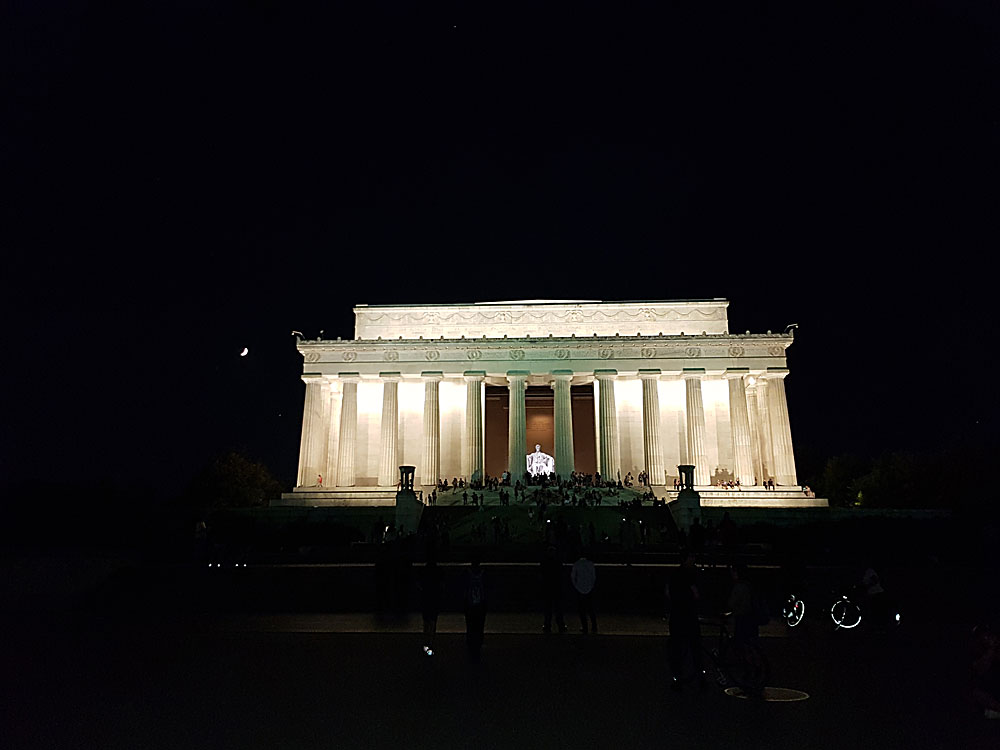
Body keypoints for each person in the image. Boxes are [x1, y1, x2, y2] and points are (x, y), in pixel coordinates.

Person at [667, 549, 703, 691]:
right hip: (689, 614)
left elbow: (668, 592)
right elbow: (696, 593)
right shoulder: (691, 574)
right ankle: (698, 676)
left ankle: (678, 677)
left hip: (677, 614)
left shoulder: (675, 574)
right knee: (695, 646)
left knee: (677, 648)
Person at [464, 556, 488, 661]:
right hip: (480, 605)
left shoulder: (467, 574)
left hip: (470, 604)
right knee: (479, 625)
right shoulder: (483, 574)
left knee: (470, 625)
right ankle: (477, 644)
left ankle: (472, 644)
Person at [541, 545, 567, 633]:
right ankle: (560, 625)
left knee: (548, 609)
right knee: (558, 608)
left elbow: (542, 575)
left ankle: (547, 625)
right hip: (556, 588)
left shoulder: (545, 562)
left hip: (548, 588)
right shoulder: (558, 562)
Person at [419, 559, 442, 656]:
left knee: (427, 622)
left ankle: (427, 641)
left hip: (427, 600)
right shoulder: (437, 574)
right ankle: (430, 641)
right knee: (432, 622)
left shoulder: (424, 573)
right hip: (433, 600)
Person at [571, 553, 597, 634]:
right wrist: (591, 586)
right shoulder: (590, 564)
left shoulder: (576, 564)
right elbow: (593, 577)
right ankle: (594, 626)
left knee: (582, 610)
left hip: (579, 588)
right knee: (590, 608)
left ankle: (585, 626)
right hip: (589, 588)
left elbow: (573, 577)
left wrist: (576, 586)